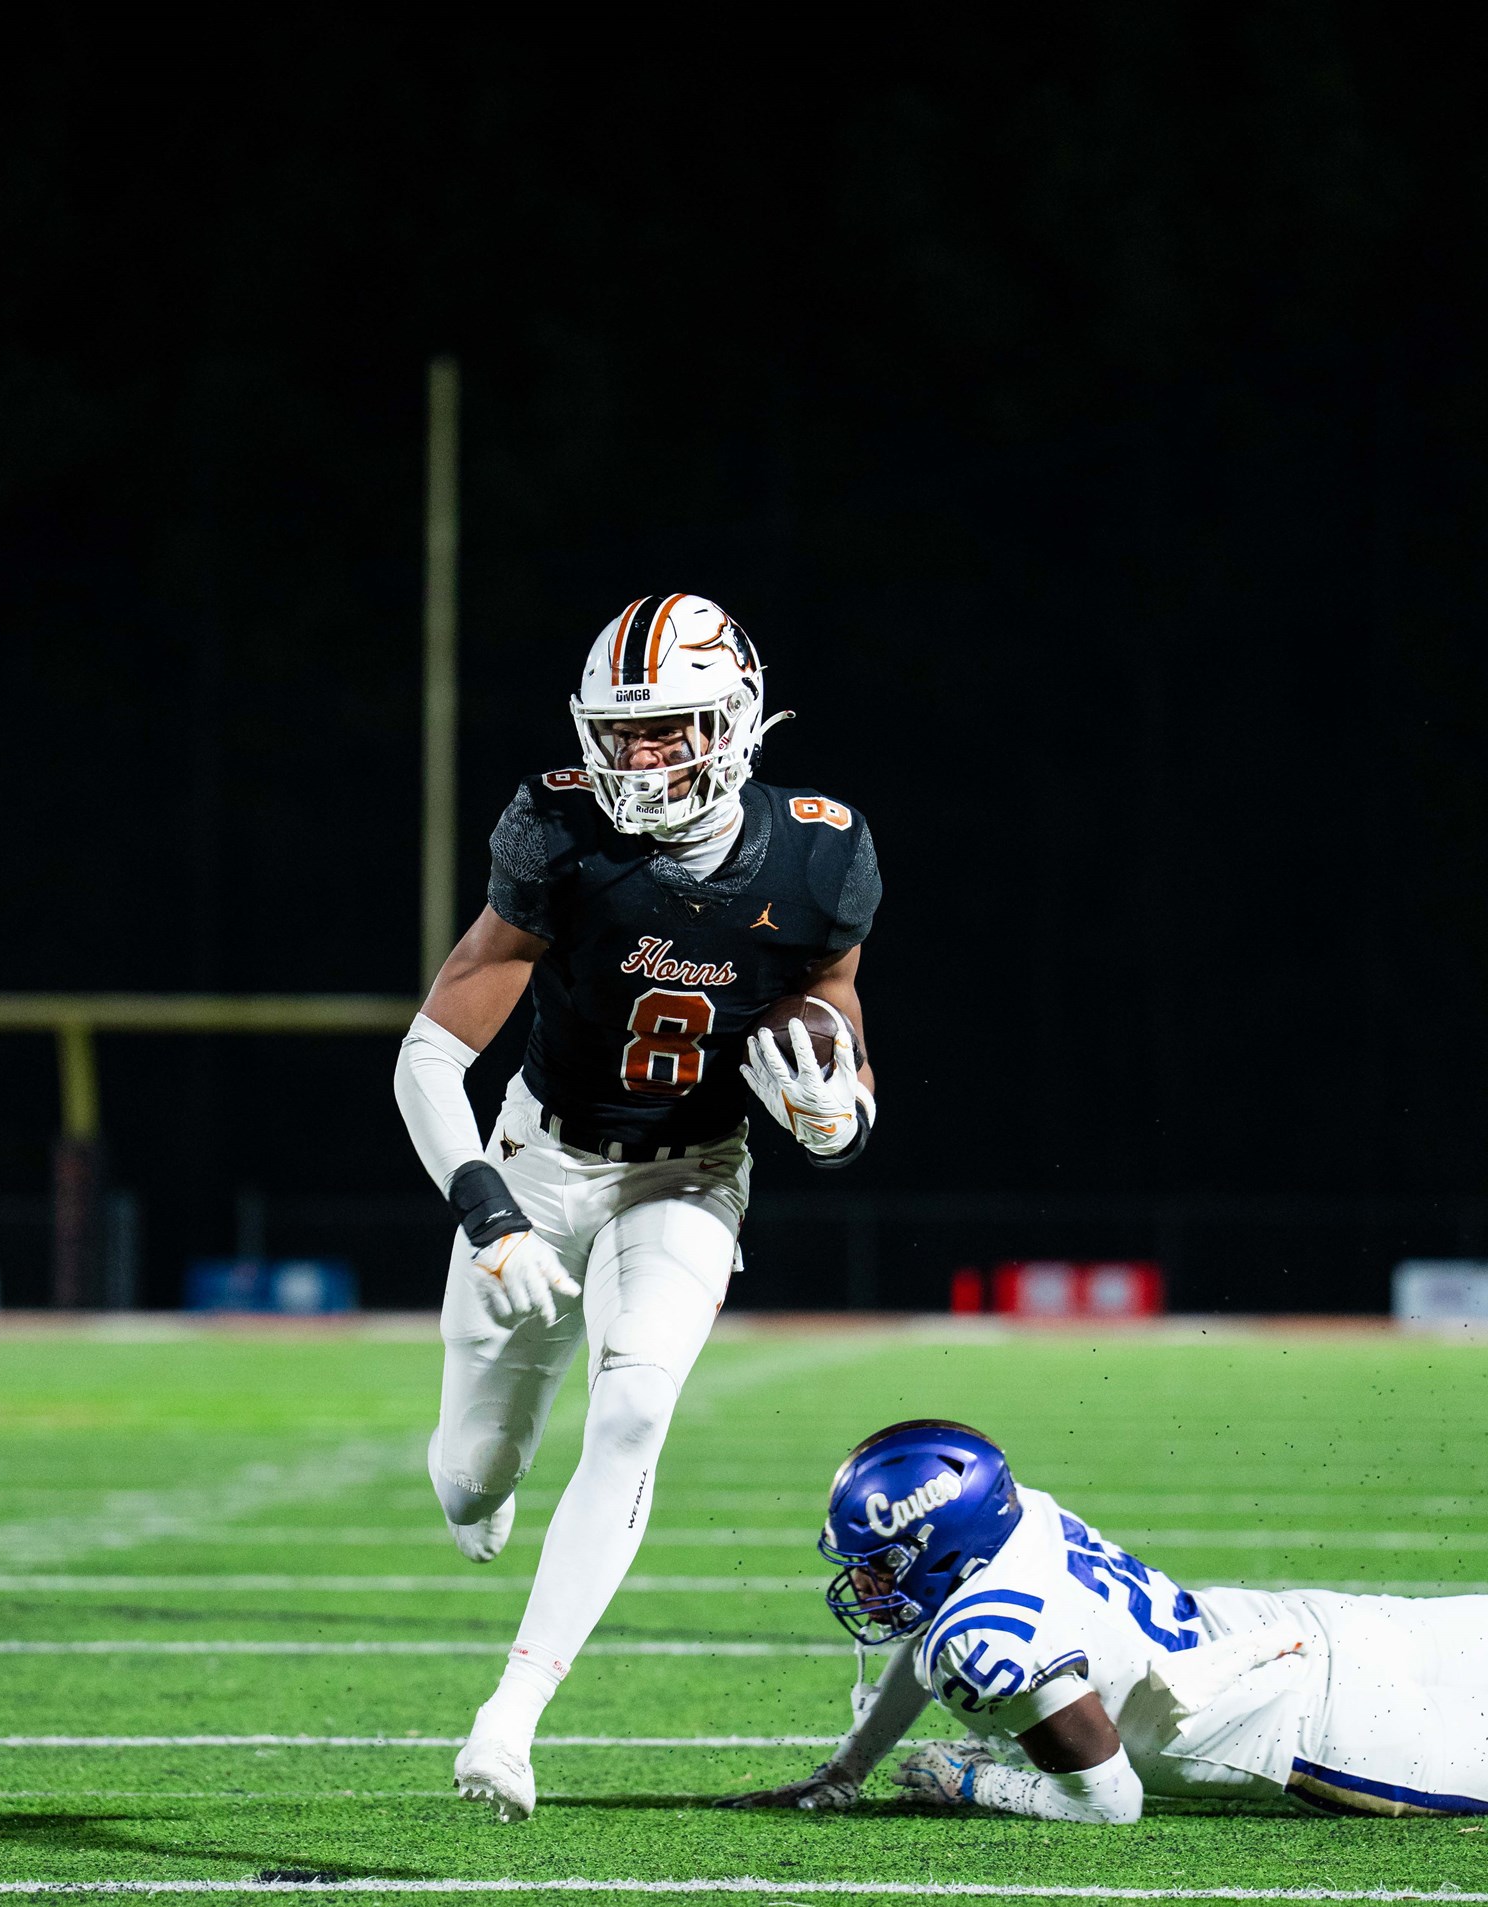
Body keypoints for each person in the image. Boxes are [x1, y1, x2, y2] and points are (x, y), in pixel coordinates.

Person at [395, 594, 880, 1822]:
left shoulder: (823, 851)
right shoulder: (560, 831)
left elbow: (836, 1011)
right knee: (467, 1478)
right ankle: (486, 1483)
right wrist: (488, 1211)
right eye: (621, 732)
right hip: (539, 1157)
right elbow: (428, 1053)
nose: (637, 758)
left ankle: (508, 1722)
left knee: (637, 1403)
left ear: (732, 722)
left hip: (690, 1168)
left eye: (665, 729)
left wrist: (841, 1107)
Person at [724, 1418, 1488, 1820]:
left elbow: (1108, 1803)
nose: (861, 1580)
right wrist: (847, 1770)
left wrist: (974, 1786)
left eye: (879, 1559)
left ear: (936, 1542)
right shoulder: (1018, 1520)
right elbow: (929, 1635)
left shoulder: (979, 1642)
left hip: (1335, 1735)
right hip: (1319, 1628)